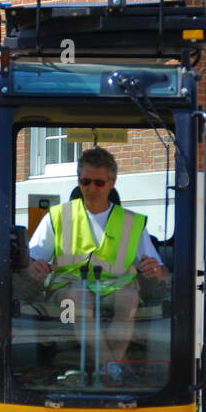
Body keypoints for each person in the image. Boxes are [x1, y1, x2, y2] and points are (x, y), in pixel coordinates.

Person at [27, 146, 168, 382]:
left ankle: (102, 369)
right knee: (79, 299)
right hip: (66, 307)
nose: (91, 188)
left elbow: (162, 271)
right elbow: (31, 260)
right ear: (78, 181)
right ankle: (111, 368)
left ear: (112, 183)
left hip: (114, 291)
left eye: (99, 183)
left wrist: (155, 270)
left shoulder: (130, 223)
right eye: (85, 182)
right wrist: (34, 267)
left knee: (130, 298)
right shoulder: (57, 216)